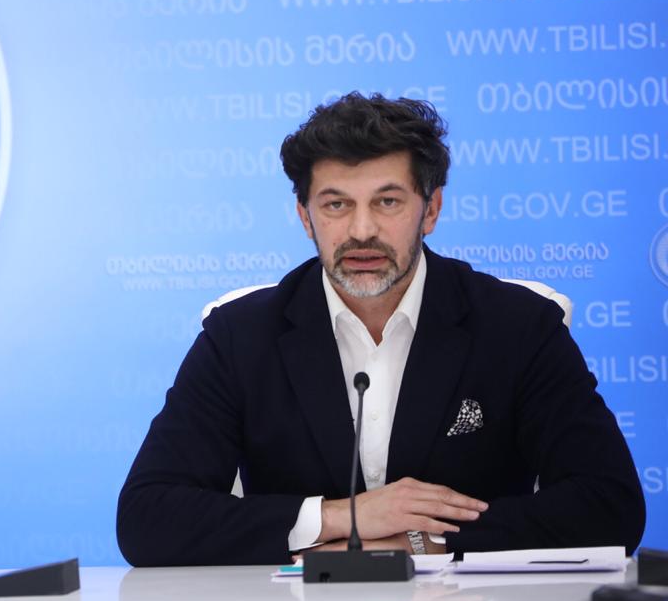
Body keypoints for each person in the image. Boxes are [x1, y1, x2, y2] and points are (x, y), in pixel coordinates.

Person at [116, 92, 645, 566]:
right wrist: (343, 518)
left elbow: (610, 506)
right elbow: (146, 518)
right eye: (336, 205)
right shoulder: (241, 335)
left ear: (431, 210)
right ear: (305, 217)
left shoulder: (517, 326)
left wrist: (425, 542)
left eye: (387, 202)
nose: (362, 230)